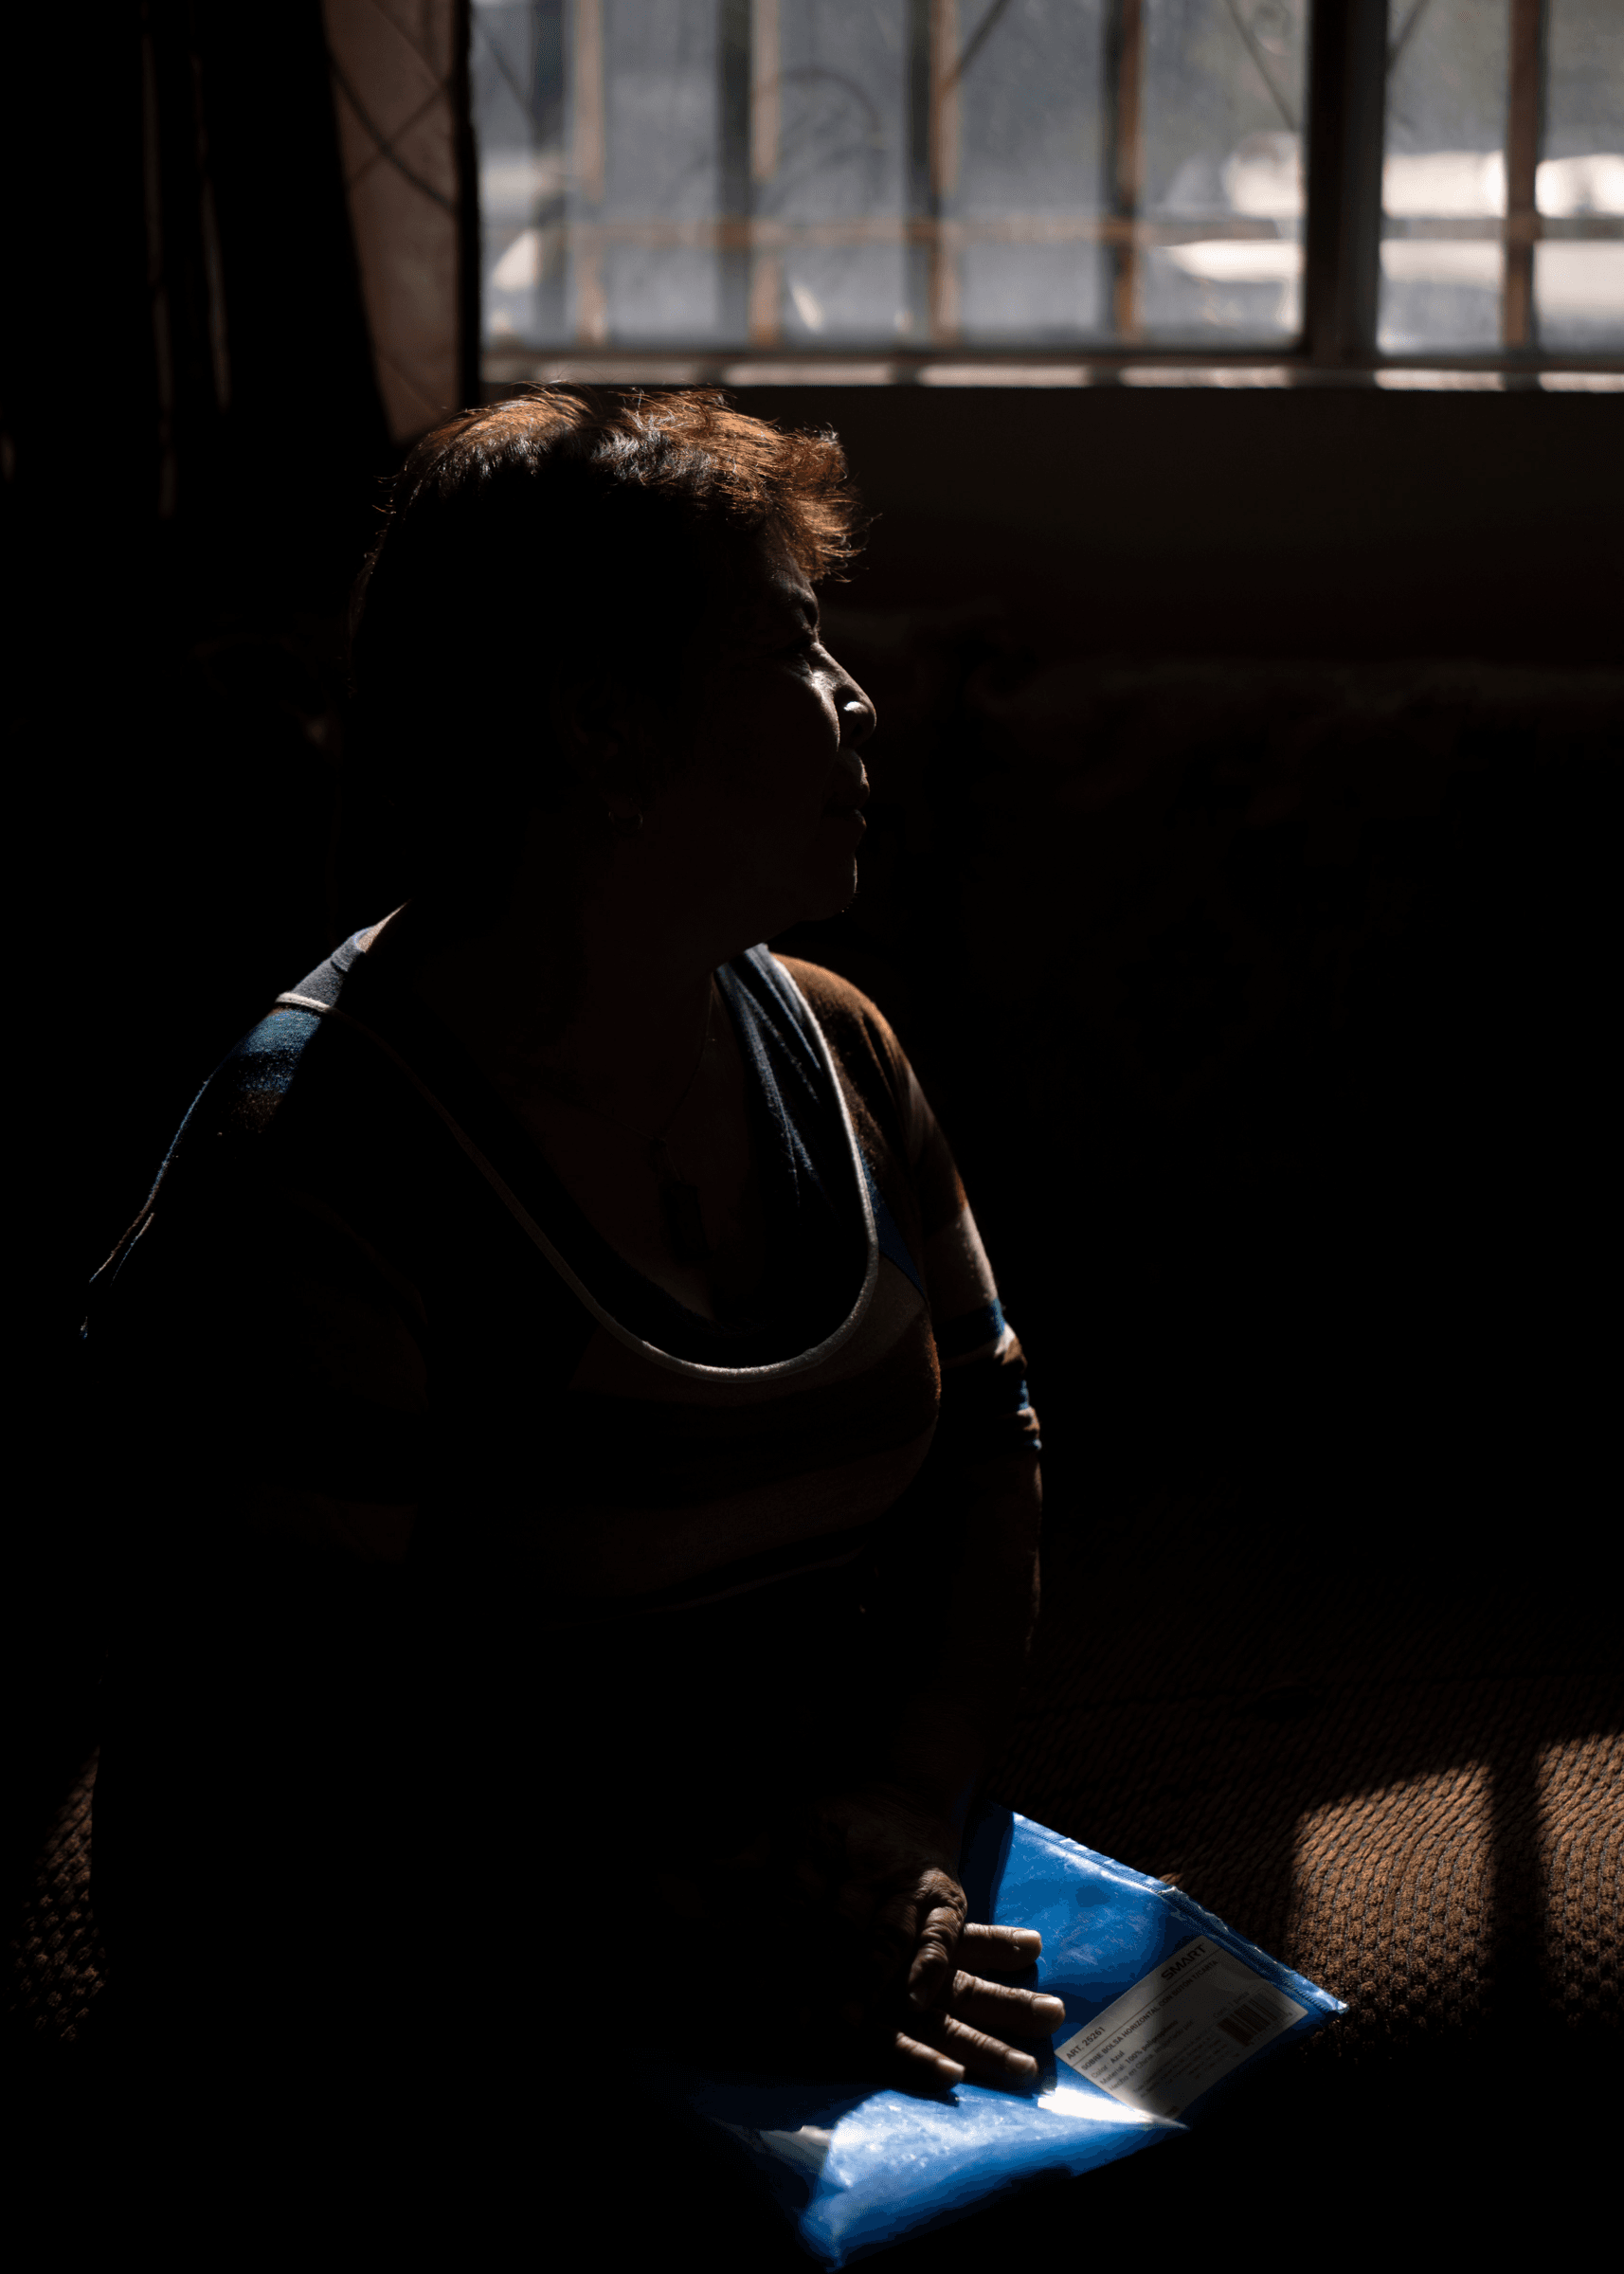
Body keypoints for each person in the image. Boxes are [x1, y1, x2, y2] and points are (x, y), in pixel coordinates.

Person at [83, 388, 1058, 2151]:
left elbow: (987, 1455)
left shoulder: (840, 1049)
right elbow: (253, 1802)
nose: (857, 699)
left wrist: (900, 1805)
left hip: (802, 1893)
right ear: (604, 728)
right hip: (437, 2007)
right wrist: (673, 1943)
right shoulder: (324, 1180)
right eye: (792, 646)